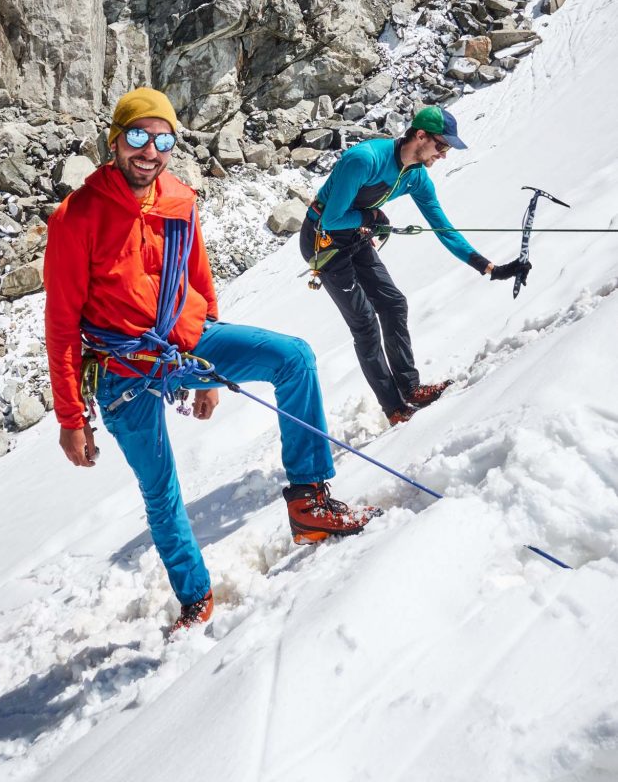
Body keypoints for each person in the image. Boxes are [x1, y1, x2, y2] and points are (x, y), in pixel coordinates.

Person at [44, 87, 379, 633]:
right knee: (160, 487)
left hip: (186, 342)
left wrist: (208, 375)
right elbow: (60, 326)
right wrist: (70, 418)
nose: (149, 151)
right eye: (137, 137)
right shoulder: (75, 218)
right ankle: (195, 596)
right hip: (122, 370)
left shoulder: (179, 199)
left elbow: (198, 279)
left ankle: (310, 500)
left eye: (163, 139)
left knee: (294, 359)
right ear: (114, 141)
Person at [300, 106, 531, 426]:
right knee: (365, 323)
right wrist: (372, 217)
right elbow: (332, 217)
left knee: (393, 304)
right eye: (442, 146)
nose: (445, 155)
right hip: (322, 239)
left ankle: (410, 388)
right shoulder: (365, 160)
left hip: (354, 233)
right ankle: (394, 408)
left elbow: (441, 226)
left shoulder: (416, 178)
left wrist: (488, 267)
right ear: (420, 136)